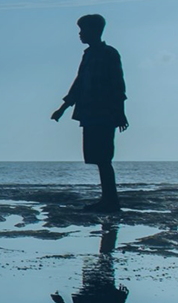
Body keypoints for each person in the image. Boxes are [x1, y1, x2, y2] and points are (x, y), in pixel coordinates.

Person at [50, 13, 128, 213]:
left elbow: (118, 85)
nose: (80, 34)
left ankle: (111, 201)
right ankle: (108, 199)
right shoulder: (88, 55)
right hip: (90, 113)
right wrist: (62, 108)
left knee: (104, 159)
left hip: (104, 113)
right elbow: (78, 84)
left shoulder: (109, 54)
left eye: (82, 30)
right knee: (98, 158)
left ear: (94, 31)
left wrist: (120, 113)